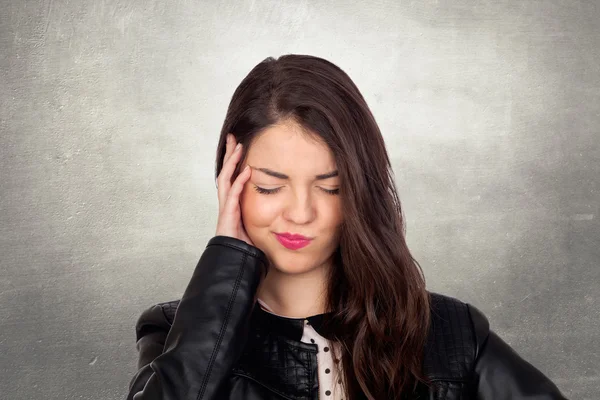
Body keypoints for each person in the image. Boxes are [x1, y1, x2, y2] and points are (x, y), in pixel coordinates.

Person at [125, 54, 568, 399]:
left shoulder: (452, 333)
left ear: (361, 191)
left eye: (331, 188)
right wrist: (225, 256)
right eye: (268, 187)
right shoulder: (177, 332)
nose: (300, 213)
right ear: (230, 183)